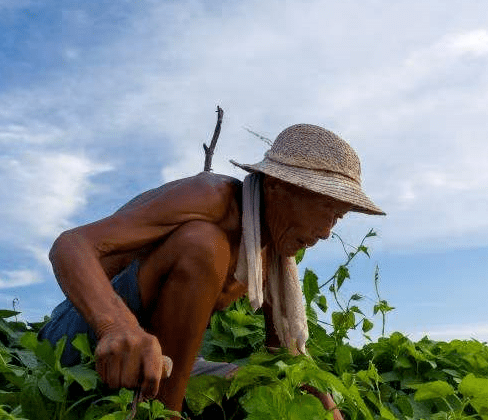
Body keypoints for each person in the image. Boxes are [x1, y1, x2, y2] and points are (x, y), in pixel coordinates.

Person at [40, 124, 385, 418]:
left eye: (337, 218)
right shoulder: (212, 197)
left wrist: (324, 403)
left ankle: (161, 399)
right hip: (82, 340)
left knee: (274, 389)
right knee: (203, 245)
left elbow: (285, 358)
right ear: (276, 187)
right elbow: (71, 245)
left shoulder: (272, 256)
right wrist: (117, 326)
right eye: (325, 210)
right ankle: (163, 413)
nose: (326, 231)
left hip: (163, 366)